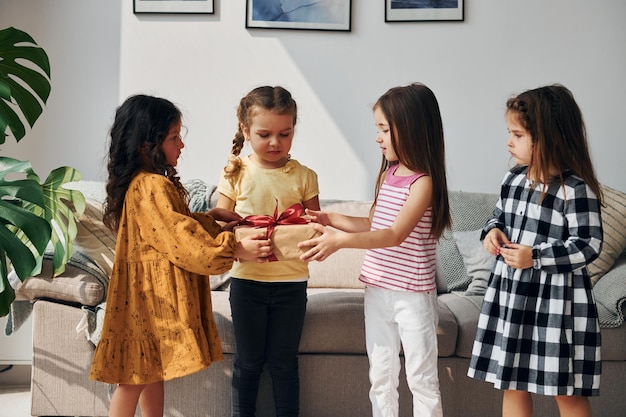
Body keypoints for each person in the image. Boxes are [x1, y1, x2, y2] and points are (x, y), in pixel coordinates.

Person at [89, 94, 272, 417]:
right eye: (174, 138)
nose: (181, 145)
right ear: (147, 145)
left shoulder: (146, 184)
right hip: (146, 301)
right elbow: (180, 240)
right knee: (133, 380)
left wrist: (210, 218)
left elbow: (171, 227)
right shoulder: (151, 186)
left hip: (144, 299)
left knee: (150, 372)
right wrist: (237, 248)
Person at [298, 83, 451, 417]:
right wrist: (331, 218)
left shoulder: (424, 183)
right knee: (380, 376)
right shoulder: (390, 175)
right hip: (378, 291)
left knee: (421, 378)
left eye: (384, 129)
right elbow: (372, 223)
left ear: (410, 128)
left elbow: (394, 234)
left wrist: (339, 242)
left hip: (413, 297)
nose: (377, 137)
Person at [467, 84, 604, 417]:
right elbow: (497, 216)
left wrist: (537, 256)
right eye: (509, 133)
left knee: (565, 390)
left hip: (555, 303)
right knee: (512, 381)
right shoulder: (513, 180)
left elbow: (589, 244)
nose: (508, 142)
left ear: (548, 137)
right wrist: (492, 231)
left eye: (517, 134)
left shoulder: (575, 190)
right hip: (513, 295)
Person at [216, 85, 320, 417]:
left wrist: (307, 237)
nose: (275, 142)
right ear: (246, 131)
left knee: (284, 363)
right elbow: (219, 230)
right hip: (247, 285)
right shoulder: (235, 172)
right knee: (247, 362)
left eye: (284, 134)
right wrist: (240, 246)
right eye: (264, 134)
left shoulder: (305, 176)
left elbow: (318, 228)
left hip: (291, 286)